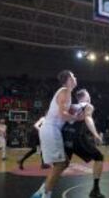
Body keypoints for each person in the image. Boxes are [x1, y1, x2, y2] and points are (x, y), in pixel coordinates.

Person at [31, 70, 78, 198]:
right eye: (73, 76)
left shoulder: (65, 92)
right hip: (51, 129)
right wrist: (78, 117)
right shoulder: (65, 91)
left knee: (65, 162)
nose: (75, 77)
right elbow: (62, 115)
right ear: (68, 80)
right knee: (61, 164)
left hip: (51, 129)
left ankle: (42, 190)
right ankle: (45, 194)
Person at [61, 89, 105, 198]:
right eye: (88, 95)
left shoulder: (71, 106)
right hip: (76, 137)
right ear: (84, 97)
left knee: (63, 164)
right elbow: (88, 118)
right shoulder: (88, 105)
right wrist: (95, 134)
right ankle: (95, 190)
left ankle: (45, 188)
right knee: (99, 157)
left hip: (65, 137)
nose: (90, 97)